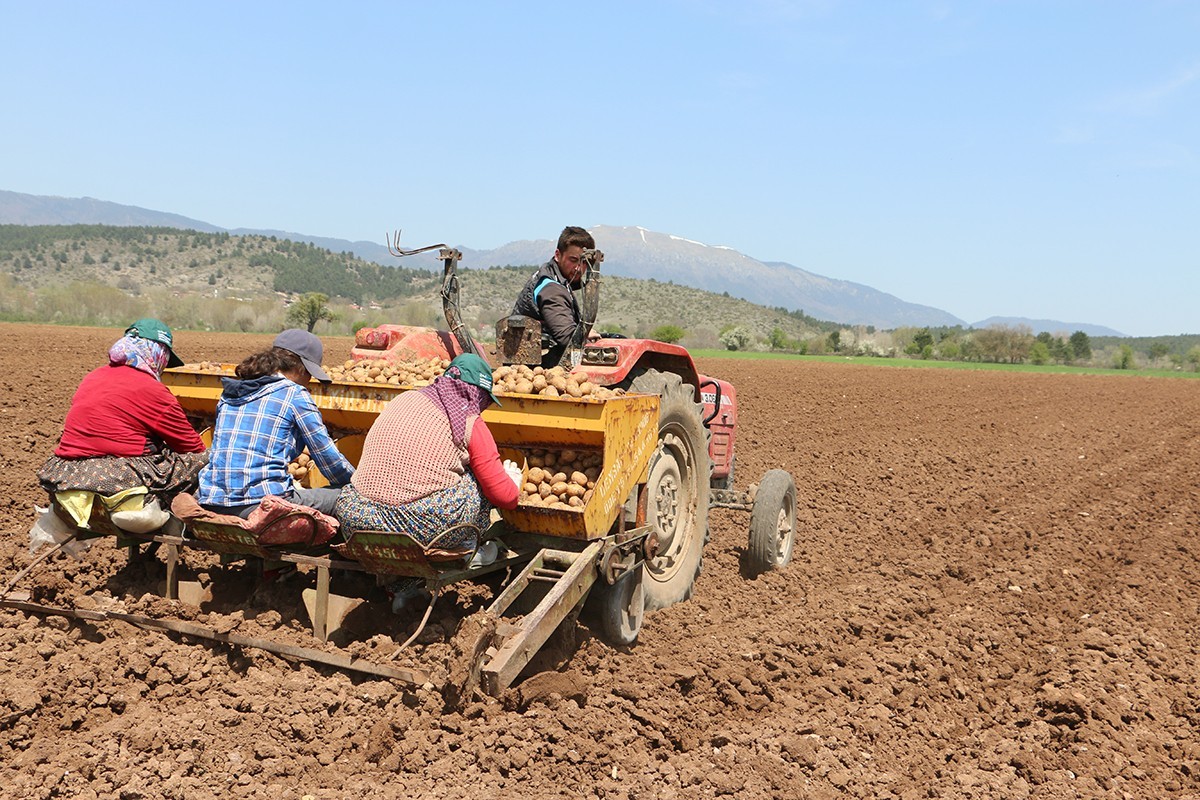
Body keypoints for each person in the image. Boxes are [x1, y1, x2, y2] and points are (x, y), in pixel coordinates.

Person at [334, 352, 520, 552]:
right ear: (478, 395)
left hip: (356, 519)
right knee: (477, 482)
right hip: (420, 529)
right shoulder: (470, 421)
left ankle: (399, 577)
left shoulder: (403, 398)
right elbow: (504, 497)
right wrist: (512, 481)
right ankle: (466, 549)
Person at [38, 318, 208, 506]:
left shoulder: (93, 376)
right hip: (115, 476)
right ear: (156, 353)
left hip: (65, 473)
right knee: (205, 460)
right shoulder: (152, 390)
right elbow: (191, 447)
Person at [196, 329, 353, 518]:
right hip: (262, 504)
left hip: (211, 500)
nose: (309, 381)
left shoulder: (232, 392)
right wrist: (358, 488)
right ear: (301, 368)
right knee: (347, 498)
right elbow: (329, 460)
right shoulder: (294, 394)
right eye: (310, 374)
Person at [511, 225, 601, 367]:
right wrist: (584, 333)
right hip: (540, 367)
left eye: (584, 262)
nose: (578, 268)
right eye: (573, 260)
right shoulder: (552, 289)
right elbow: (567, 338)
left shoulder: (555, 277)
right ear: (558, 255)